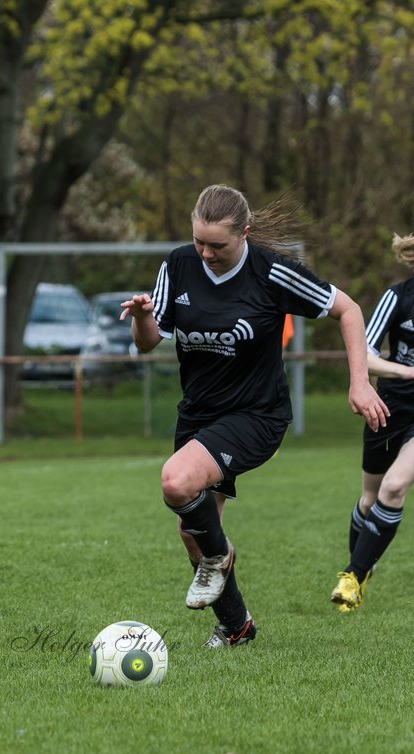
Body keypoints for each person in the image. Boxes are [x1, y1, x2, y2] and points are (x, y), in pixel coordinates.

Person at [120, 184, 387, 648]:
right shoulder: (178, 264)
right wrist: (143, 316)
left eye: (217, 245)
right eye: (199, 241)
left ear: (244, 233)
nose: (205, 253)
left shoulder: (273, 272)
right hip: (199, 414)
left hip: (256, 415)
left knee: (176, 482)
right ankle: (236, 626)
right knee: (193, 532)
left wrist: (359, 381)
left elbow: (349, 309)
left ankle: (219, 559)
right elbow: (148, 342)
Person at [331, 233, 414, 613]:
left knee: (395, 487)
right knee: (369, 498)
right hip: (389, 407)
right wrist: (405, 372)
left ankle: (352, 574)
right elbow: (363, 353)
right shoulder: (397, 298)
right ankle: (361, 573)